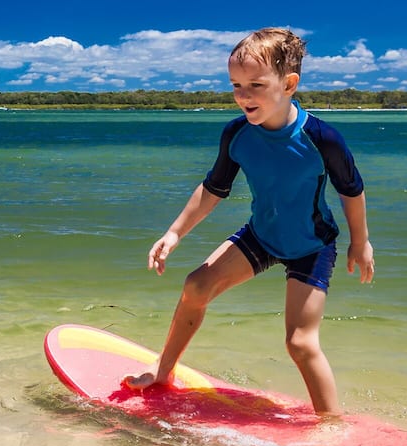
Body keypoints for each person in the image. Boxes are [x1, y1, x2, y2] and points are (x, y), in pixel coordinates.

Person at [121, 27, 373, 417]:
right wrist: (174, 232)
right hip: (262, 236)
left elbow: (351, 191)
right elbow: (213, 189)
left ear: (289, 84)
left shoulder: (322, 138)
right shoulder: (237, 134)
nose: (243, 95)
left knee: (300, 344)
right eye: (236, 85)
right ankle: (163, 371)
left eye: (256, 84)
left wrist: (361, 242)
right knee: (195, 286)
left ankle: (331, 424)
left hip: (312, 245)